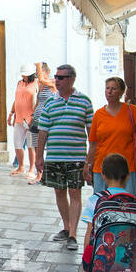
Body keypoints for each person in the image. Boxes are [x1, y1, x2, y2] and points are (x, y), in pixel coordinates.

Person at [35, 64, 94, 252]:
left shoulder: (84, 101)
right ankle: (67, 227)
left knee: (75, 193)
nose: (57, 81)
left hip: (76, 157)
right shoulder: (50, 102)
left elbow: (91, 133)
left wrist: (89, 160)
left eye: (61, 77)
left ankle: (73, 234)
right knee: (59, 193)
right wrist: (39, 156)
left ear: (71, 79)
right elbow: (43, 131)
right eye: (56, 77)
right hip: (54, 157)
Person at [86, 76, 136, 197]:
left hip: (127, 167)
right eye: (107, 88)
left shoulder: (132, 111)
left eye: (113, 89)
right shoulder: (98, 114)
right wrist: (88, 164)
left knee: (127, 204)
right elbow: (93, 143)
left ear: (121, 92)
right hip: (102, 168)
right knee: (102, 204)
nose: (109, 92)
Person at [27, 63, 54, 184]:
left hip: (47, 120)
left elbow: (42, 79)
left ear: (46, 72)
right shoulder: (41, 85)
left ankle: (47, 174)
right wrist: (32, 116)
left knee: (46, 146)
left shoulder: (52, 82)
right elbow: (37, 103)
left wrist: (38, 65)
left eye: (40, 73)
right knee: (37, 147)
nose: (38, 76)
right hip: (37, 119)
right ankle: (40, 174)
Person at [7, 63, 37, 176]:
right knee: (17, 144)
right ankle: (21, 167)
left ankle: (31, 169)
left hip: (30, 119)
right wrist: (11, 113)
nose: (24, 76)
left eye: (26, 75)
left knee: (30, 145)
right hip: (19, 118)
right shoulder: (19, 83)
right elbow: (16, 99)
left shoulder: (36, 84)